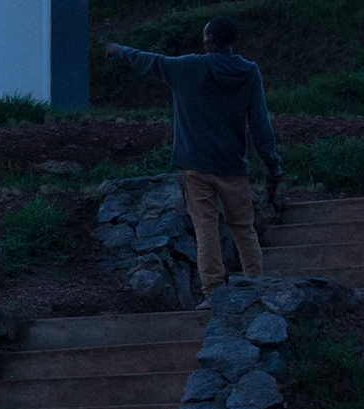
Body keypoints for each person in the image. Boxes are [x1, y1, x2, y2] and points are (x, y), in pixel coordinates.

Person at [100, 18, 281, 300]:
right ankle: (256, 285)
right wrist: (272, 164)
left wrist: (118, 49)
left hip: (195, 165)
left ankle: (213, 292)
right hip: (233, 166)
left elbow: (151, 61)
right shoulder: (249, 72)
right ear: (232, 41)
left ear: (209, 39)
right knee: (243, 229)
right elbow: (260, 124)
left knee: (206, 227)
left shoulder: (188, 68)